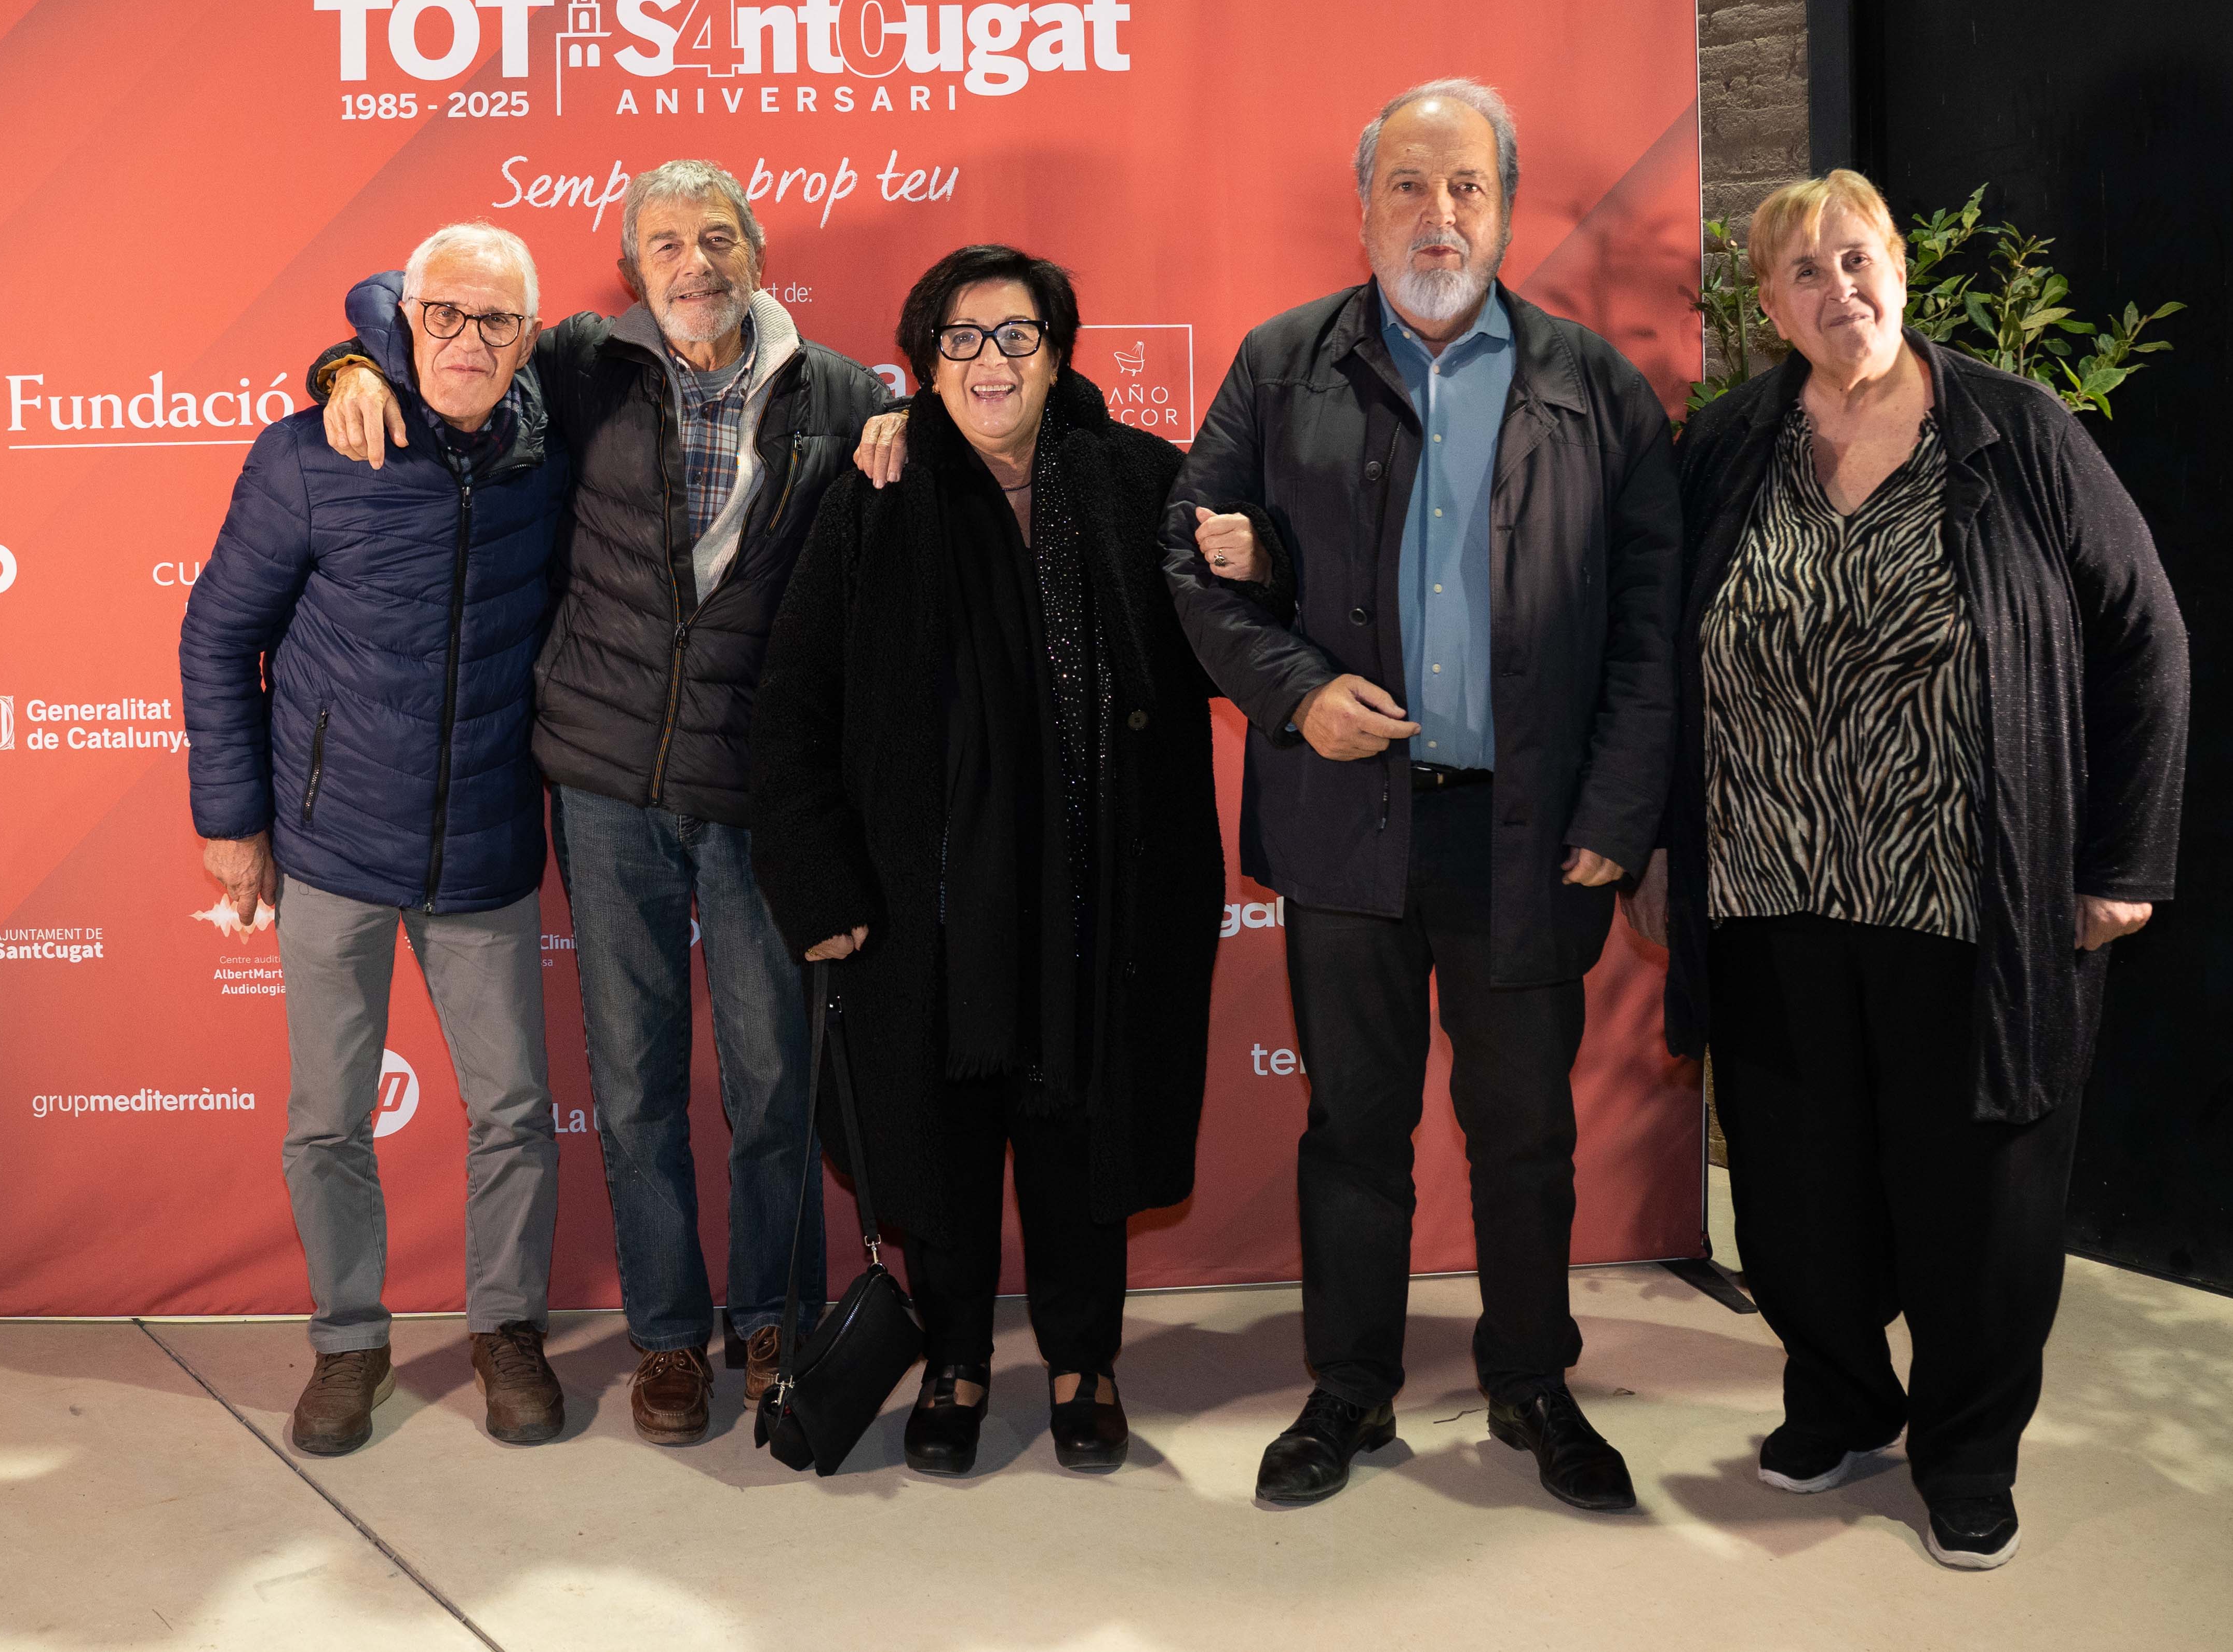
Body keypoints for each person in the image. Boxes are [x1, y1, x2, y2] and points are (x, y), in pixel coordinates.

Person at [1631, 169, 2186, 1570]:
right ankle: (1836, 1398)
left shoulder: (2015, 428)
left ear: (1898, 267)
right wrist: (1654, 838)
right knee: (1792, 1186)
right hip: (1766, 889)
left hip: (1970, 898)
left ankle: (1967, 1452)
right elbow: (1653, 656)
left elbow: (2145, 635)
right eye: (1805, 272)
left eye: (1858, 258)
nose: (1841, 290)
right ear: (1769, 308)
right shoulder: (1726, 445)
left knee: (1977, 1198)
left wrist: (2121, 855)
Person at [311, 161, 894, 1443]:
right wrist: (347, 367)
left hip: (757, 790)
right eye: (666, 243)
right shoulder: (581, 363)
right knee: (633, 1088)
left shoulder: (846, 394)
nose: (696, 263)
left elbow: (968, 453)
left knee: (772, 1081)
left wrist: (903, 434)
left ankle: (777, 1318)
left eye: (718, 237)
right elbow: (403, 303)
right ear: (632, 270)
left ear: (756, 253)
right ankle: (669, 1337)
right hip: (606, 781)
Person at [1165, 79, 1680, 1512]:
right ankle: (1349, 1387)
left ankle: (1532, 1380)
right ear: (1364, 207)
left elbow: (1651, 625)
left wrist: (1615, 812)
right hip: (1348, 825)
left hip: (1531, 833)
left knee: (1525, 1135)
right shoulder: (1282, 364)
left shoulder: (1593, 385)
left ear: (1505, 209)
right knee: (1352, 1129)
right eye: (1407, 184)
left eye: (1464, 186)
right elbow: (1190, 555)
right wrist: (1294, 693)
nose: (1436, 214)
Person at [752, 245, 1222, 1477]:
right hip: (928, 909)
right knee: (943, 1142)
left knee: (1081, 1133)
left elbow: (1231, 625)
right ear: (924, 363)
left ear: (1057, 355)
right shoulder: (876, 493)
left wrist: (1259, 554)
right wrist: (819, 882)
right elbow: (792, 703)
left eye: (1017, 335)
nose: (990, 360)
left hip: (1098, 899)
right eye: (960, 339)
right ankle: (955, 1359)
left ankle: (1083, 1362)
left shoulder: (1139, 482)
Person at [181, 223, 572, 1458]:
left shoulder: (551, 452)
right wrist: (232, 820)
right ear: (404, 320)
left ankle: (507, 1329)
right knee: (327, 1119)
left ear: (529, 338)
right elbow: (216, 636)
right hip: (332, 842)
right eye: (443, 314)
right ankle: (350, 1340)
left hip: (488, 842)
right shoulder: (312, 450)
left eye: (495, 320)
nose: (467, 340)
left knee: (514, 1111)